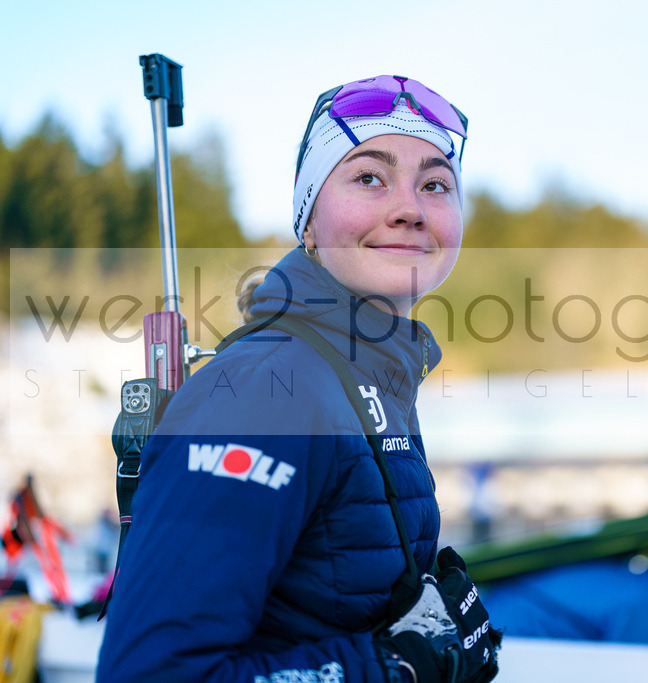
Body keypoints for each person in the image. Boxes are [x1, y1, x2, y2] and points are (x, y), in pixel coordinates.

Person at [97, 75, 498, 683]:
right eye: (369, 176)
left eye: (436, 184)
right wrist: (396, 667)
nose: (410, 209)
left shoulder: (373, 373)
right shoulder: (270, 387)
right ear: (308, 219)